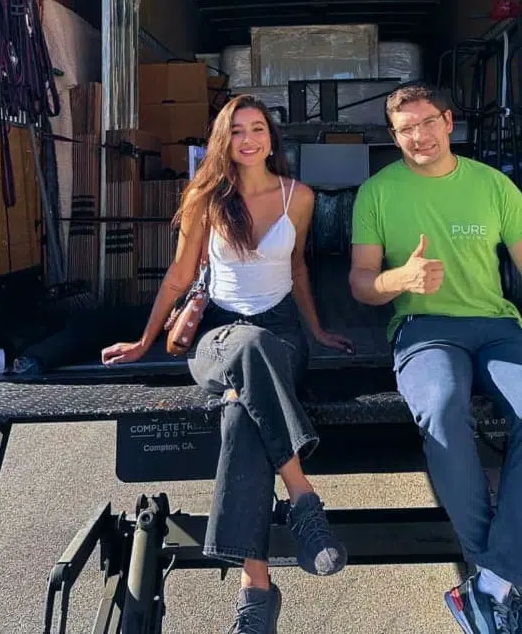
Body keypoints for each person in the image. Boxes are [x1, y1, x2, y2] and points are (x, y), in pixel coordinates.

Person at [348, 82, 522, 634]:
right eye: (405, 129)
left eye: (427, 122)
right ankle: (495, 581)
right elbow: (361, 282)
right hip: (424, 329)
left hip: (497, 329)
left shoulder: (493, 185)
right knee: (442, 409)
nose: (419, 136)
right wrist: (400, 279)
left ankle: (489, 586)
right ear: (394, 137)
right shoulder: (376, 192)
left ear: (449, 122)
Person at [102, 94, 352, 634]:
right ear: (224, 139)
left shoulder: (299, 197)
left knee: (241, 413)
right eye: (237, 130)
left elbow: (298, 269)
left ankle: (256, 590)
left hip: (281, 333)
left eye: (257, 128)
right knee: (249, 347)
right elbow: (178, 275)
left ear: (271, 137)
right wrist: (145, 341)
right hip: (218, 334)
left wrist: (316, 331)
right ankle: (302, 496)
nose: (248, 139)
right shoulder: (205, 197)